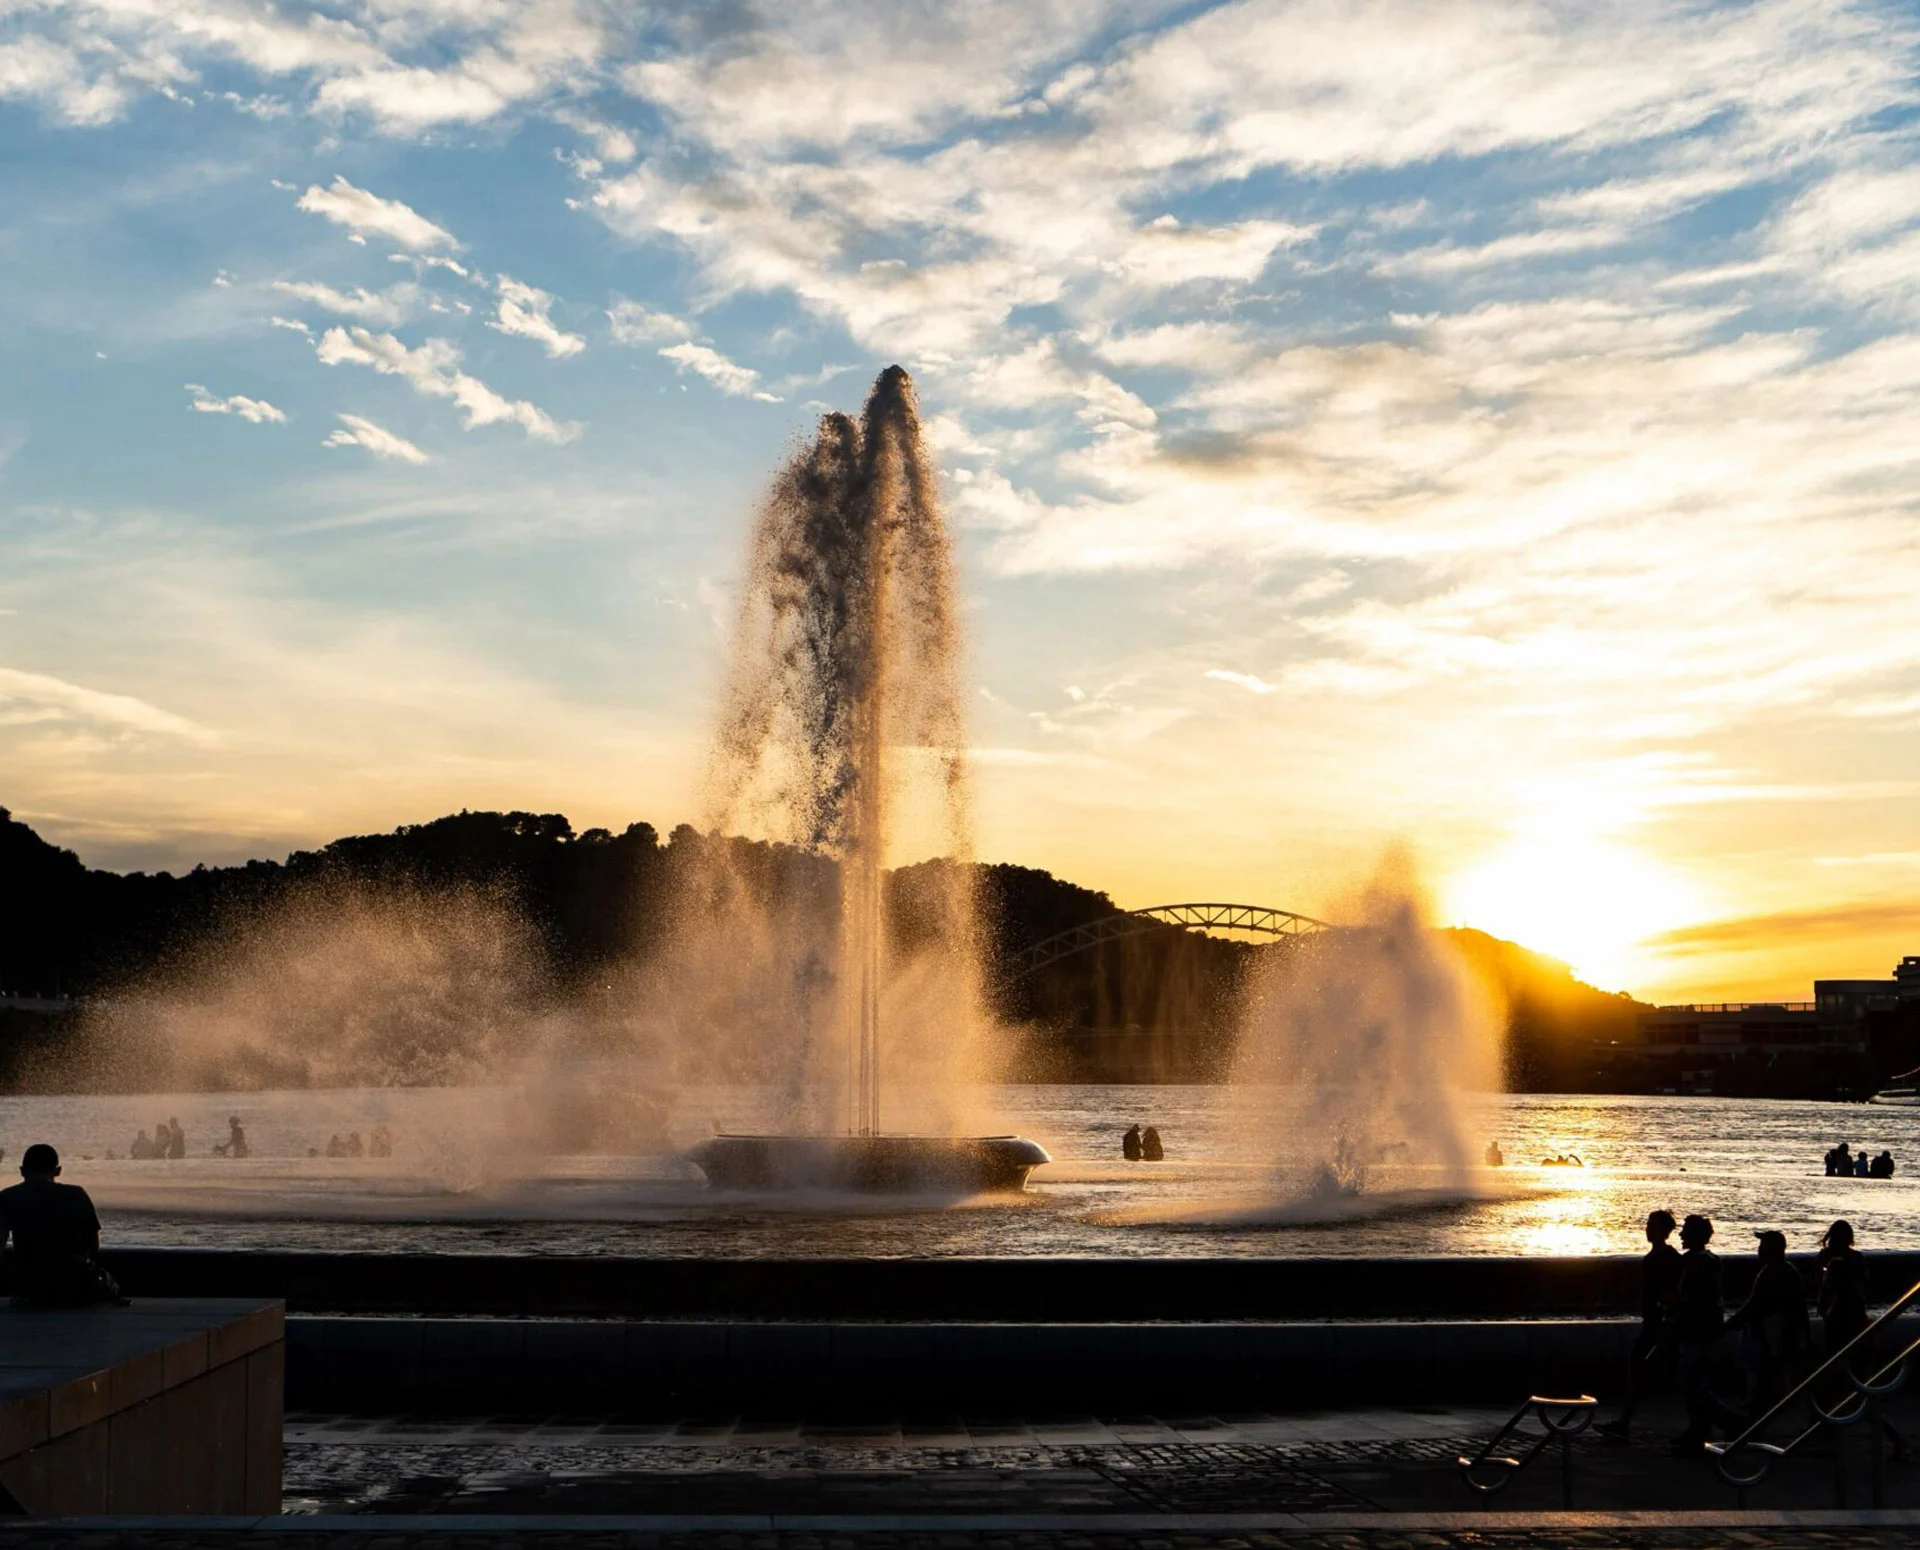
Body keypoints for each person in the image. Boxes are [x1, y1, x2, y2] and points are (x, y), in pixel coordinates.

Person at [1817, 1220, 1906, 1459]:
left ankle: (1832, 1435)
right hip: (1854, 1334)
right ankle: (1832, 1434)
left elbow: (1825, 1297)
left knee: (1842, 1389)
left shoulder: (1833, 1265)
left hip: (1842, 1335)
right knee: (1850, 1390)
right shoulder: (1854, 1264)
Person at [1596, 1209, 1683, 1443]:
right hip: (1655, 1325)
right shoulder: (1658, 1257)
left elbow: (1670, 1294)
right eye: (1648, 1224)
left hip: (1659, 1327)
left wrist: (1667, 1322)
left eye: (1651, 1225)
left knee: (1643, 1371)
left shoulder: (1664, 1259)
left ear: (1662, 1231)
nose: (1646, 1228)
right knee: (1653, 1373)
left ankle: (1624, 1423)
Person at [0, 1144, 123, 1307]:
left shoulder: (8, 1197)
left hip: (32, 1284)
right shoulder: (76, 1194)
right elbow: (92, 1243)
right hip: (75, 1283)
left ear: (22, 1171)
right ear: (58, 1171)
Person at [1726, 1229, 1809, 1421]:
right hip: (1774, 1328)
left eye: (1763, 1246)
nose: (1759, 1250)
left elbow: (1755, 1303)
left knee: (1765, 1366)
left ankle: (1762, 1405)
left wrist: (1733, 1322)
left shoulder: (1773, 1273)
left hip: (1772, 1329)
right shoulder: (1785, 1271)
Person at [1671, 1213, 1734, 1454]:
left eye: (1685, 1230)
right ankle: (1699, 1428)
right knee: (1697, 1380)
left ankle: (1725, 1420)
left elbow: (1694, 1299)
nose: (1681, 1234)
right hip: (1707, 1329)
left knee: (1689, 1381)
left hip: (1694, 1330)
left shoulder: (1693, 1263)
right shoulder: (1711, 1261)